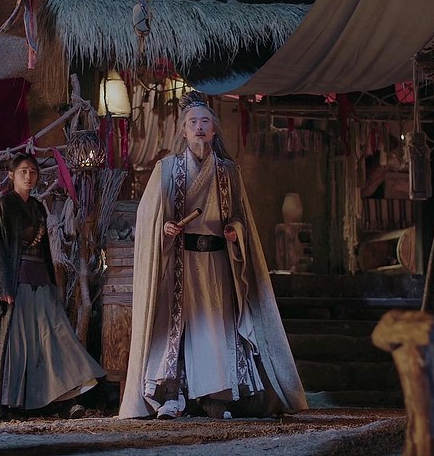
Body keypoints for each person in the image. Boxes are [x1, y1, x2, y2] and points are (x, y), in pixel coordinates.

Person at [119, 91, 308, 419]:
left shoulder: (228, 172)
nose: (199, 127)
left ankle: (216, 398)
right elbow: (149, 217)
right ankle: (174, 395)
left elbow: (239, 215)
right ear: (183, 131)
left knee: (217, 331)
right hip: (180, 262)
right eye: (193, 122)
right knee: (179, 328)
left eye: (205, 122)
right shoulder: (166, 169)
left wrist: (235, 230)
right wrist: (164, 228)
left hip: (218, 264)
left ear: (214, 130)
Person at [0, 153, 106, 421]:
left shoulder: (37, 207)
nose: (28, 176)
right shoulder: (3, 206)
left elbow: (43, 250)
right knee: (17, 344)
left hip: (40, 282)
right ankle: (11, 402)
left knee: (56, 337)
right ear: (11, 175)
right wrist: (1, 286)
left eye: (33, 172)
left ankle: (67, 396)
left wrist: (51, 282)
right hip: (15, 284)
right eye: (23, 171)